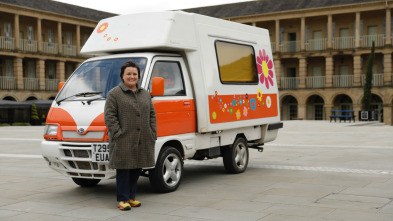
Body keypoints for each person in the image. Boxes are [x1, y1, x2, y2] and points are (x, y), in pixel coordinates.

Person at [104, 60, 157, 211]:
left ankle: (131, 197)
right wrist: (118, 133)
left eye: (135, 74)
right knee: (123, 170)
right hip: (123, 139)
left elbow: (152, 114)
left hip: (143, 139)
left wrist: (153, 132)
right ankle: (122, 199)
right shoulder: (114, 94)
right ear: (122, 76)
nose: (132, 77)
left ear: (138, 76)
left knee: (136, 169)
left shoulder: (144, 94)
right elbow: (109, 116)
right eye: (129, 74)